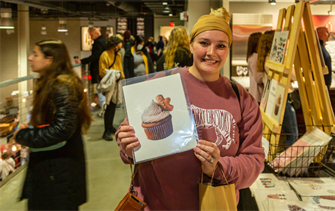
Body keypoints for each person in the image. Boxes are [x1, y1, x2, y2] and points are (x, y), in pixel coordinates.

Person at [115, 7, 265, 210]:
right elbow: (129, 134)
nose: (211, 53)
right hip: (155, 203)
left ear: (228, 49)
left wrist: (219, 167)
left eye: (221, 46)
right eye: (204, 43)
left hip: (213, 204)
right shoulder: (162, 83)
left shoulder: (241, 99)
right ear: (191, 45)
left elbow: (254, 161)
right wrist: (127, 146)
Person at [13, 39, 91, 210]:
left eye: (35, 54)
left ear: (50, 59)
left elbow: (61, 130)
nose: (30, 58)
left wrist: (24, 136)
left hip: (58, 173)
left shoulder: (62, 86)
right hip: (53, 171)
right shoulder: (53, 83)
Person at [257, 30, 298, 147]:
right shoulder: (277, 59)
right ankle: (289, 164)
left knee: (277, 136)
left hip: (272, 98)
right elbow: (295, 75)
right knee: (292, 136)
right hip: (282, 99)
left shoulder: (265, 58)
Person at [75, 27, 107, 117]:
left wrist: (82, 61)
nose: (91, 38)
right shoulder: (104, 41)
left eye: (92, 35)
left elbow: (95, 56)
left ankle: (104, 110)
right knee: (103, 90)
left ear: (97, 33)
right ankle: (105, 109)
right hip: (105, 69)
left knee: (100, 90)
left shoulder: (98, 43)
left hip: (98, 70)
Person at [99, 36, 125, 141]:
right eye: (119, 44)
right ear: (114, 45)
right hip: (109, 84)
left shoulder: (117, 55)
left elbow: (120, 68)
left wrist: (121, 76)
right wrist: (114, 74)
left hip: (116, 83)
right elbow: (102, 71)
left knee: (113, 106)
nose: (120, 46)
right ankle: (106, 131)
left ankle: (110, 127)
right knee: (108, 107)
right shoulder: (104, 55)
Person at [246, 32, 263, 103]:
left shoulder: (252, 56)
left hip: (255, 95)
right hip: (257, 95)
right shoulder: (255, 57)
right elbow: (258, 78)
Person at [317, 26, 332, 90]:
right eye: (326, 32)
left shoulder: (320, 46)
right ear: (319, 33)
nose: (329, 35)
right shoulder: (318, 47)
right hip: (321, 86)